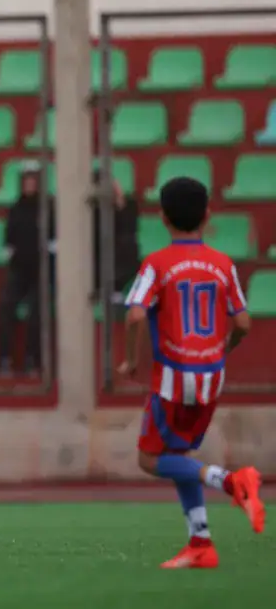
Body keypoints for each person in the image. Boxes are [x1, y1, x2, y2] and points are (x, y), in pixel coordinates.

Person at [119, 177, 264, 569]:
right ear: (208, 215)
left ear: (162, 217)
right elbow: (245, 323)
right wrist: (222, 350)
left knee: (149, 460)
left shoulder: (157, 263)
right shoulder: (222, 264)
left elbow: (134, 314)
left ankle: (230, 481)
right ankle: (200, 542)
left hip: (171, 379)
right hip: (211, 377)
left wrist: (132, 361)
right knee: (178, 453)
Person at [0, 165, 55, 377]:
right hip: (19, 269)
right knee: (5, 307)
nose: (30, 184)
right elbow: (8, 241)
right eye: (26, 180)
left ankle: (33, 361)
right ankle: (4, 360)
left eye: (33, 180)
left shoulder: (49, 207)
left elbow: (56, 240)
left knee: (36, 312)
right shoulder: (16, 208)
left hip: (42, 270)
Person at [93, 170, 140, 304]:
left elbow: (130, 227)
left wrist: (119, 200)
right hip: (99, 251)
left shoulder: (129, 204)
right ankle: (101, 288)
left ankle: (116, 288)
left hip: (120, 250)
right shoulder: (92, 209)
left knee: (126, 242)